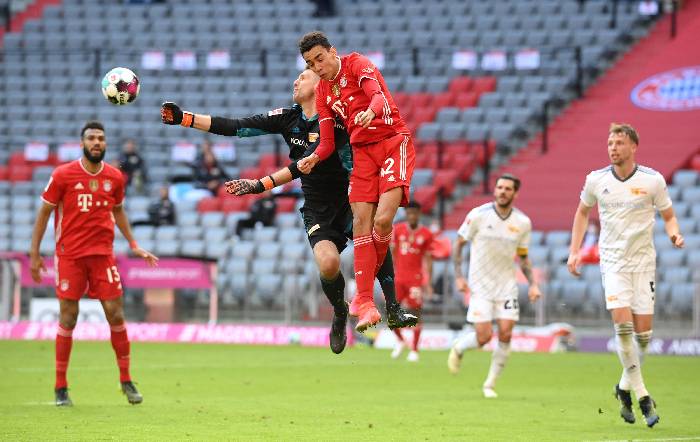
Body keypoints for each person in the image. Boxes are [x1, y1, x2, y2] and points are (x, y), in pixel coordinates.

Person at [160, 69, 417, 353]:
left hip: (351, 196)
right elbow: (236, 126)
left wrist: (260, 184)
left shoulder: (336, 117)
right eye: (296, 76)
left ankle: (392, 306)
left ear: (320, 85)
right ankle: (340, 311)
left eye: (304, 77)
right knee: (328, 264)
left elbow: (307, 161)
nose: (296, 81)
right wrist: (184, 118)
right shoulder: (288, 117)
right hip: (318, 207)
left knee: (373, 233)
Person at [29, 121, 158, 407]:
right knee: (68, 318)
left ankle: (126, 380)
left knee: (115, 313)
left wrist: (134, 244)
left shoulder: (115, 177)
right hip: (70, 256)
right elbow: (44, 213)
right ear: (82, 143)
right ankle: (60, 387)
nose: (96, 142)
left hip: (102, 255)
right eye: (91, 138)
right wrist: (35, 254)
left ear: (106, 143)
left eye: (100, 138)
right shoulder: (63, 175)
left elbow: (119, 211)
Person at [296, 31, 416, 331]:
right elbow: (325, 144)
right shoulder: (323, 92)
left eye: (319, 59)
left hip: (391, 140)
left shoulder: (357, 64)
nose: (317, 67)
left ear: (332, 52)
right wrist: (314, 158)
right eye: (310, 64)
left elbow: (377, 95)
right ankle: (364, 302)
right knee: (362, 223)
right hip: (362, 153)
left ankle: (381, 302)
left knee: (383, 221)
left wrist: (370, 113)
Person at [567, 123, 684, 427]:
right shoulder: (596, 180)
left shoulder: (652, 180)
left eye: (619, 142)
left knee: (643, 337)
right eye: (610, 142)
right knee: (623, 327)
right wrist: (574, 250)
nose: (613, 147)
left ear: (634, 147)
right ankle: (643, 396)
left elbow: (668, 215)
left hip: (643, 264)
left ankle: (623, 388)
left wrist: (674, 234)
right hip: (614, 263)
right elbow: (582, 212)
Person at [447, 174, 542, 398]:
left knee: (506, 333)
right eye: (499, 187)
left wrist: (533, 284)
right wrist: (459, 277)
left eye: (508, 189)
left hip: (507, 286)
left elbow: (523, 256)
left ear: (515, 193)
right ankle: (459, 347)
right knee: (484, 337)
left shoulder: (522, 223)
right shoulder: (478, 215)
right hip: (480, 286)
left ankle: (490, 384)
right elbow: (458, 244)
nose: (502, 191)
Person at [390, 201, 433, 362]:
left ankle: (414, 350)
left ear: (419, 214)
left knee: (415, 314)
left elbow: (428, 260)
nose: (412, 216)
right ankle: (401, 341)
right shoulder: (399, 230)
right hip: (399, 277)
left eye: (415, 213)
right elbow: (393, 251)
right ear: (406, 214)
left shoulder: (426, 234)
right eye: (409, 213)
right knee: (391, 311)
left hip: (415, 279)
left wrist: (428, 282)